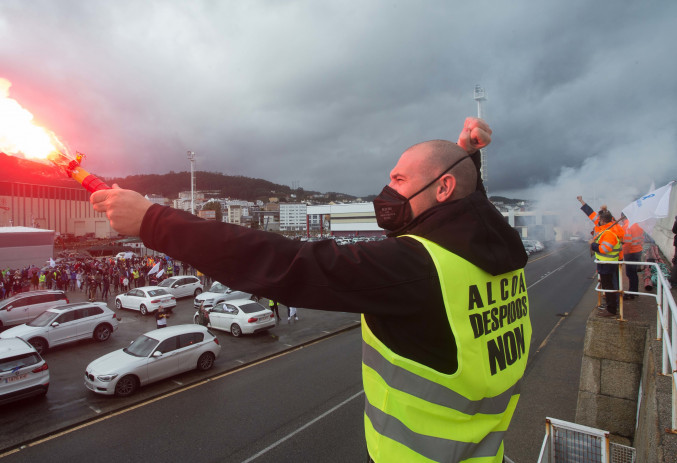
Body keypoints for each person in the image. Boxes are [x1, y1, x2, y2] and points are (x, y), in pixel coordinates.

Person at [91, 117, 530, 462]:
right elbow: (471, 211)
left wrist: (154, 221)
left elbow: (287, 263)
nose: (385, 192)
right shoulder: (498, 254)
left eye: (398, 180)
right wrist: (467, 160)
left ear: (443, 188)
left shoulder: (415, 267)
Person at [591, 210, 622, 317]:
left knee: (609, 287)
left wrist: (593, 245)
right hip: (606, 264)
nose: (598, 221)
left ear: (603, 221)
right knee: (607, 286)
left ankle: (611, 310)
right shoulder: (606, 231)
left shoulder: (608, 233)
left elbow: (605, 249)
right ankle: (611, 307)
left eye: (599, 219)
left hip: (607, 264)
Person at [621, 213, 644, 299]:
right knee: (634, 273)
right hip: (638, 251)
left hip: (631, 252)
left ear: (623, 217)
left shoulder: (626, 227)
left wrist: (624, 253)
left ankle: (632, 293)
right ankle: (634, 291)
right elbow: (642, 238)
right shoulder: (637, 225)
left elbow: (627, 243)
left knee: (630, 273)